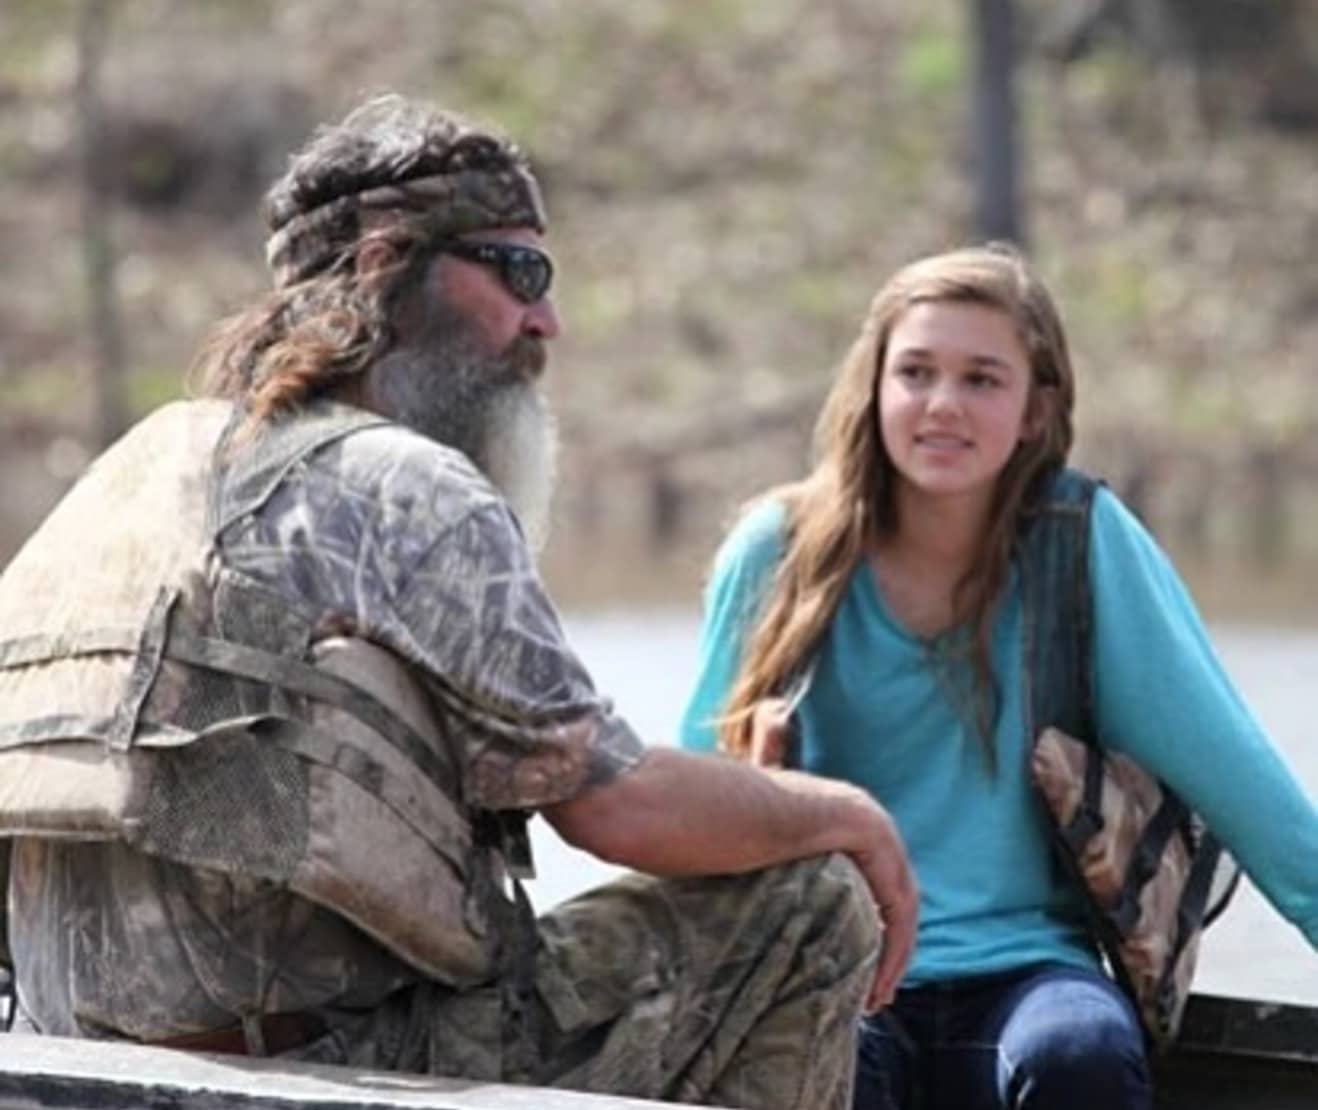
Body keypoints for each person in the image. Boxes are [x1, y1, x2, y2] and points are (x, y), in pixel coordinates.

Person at [0, 93, 920, 1110]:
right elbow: (622, 807)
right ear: (389, 263)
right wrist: (847, 814)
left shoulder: (126, 481)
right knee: (813, 901)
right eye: (518, 270)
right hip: (329, 1069)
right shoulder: (409, 489)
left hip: (69, 1060)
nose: (547, 319)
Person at [678, 244, 1318, 1110]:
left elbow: (1244, 788)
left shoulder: (1082, 548)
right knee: (825, 1076)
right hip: (831, 973)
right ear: (874, 388)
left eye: (982, 378)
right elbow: (688, 809)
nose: (943, 404)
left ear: (1035, 409)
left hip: (1030, 973)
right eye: (916, 373)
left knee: (1078, 1055)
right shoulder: (779, 553)